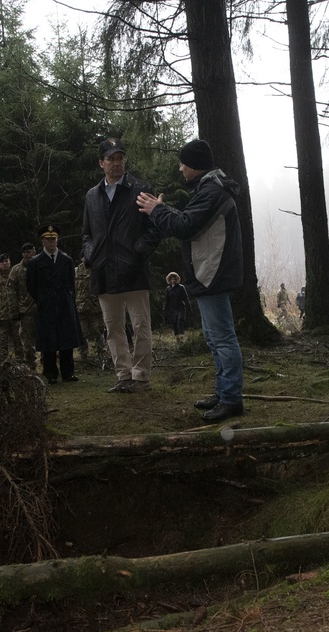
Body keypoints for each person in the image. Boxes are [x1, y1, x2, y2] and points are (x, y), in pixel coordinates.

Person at [136, 139, 244, 422]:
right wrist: (164, 208)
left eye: (183, 162)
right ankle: (224, 393)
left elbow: (184, 227)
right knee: (214, 337)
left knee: (222, 338)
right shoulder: (209, 189)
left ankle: (231, 399)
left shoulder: (211, 191)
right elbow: (189, 218)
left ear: (195, 165)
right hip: (210, 273)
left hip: (213, 274)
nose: (180, 167)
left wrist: (156, 210)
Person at [82, 137, 164, 394]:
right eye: (111, 159)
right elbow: (86, 233)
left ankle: (140, 377)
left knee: (141, 325)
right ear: (101, 163)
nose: (117, 164)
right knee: (113, 328)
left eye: (120, 158)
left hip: (134, 270)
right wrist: (90, 256)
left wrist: (139, 251)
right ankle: (123, 375)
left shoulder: (140, 189)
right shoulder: (92, 196)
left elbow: (155, 228)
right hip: (104, 271)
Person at [25, 224, 83, 384]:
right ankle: (50, 374)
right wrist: (42, 299)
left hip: (64, 304)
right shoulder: (35, 262)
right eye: (48, 240)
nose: (52, 242)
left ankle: (68, 373)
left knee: (66, 341)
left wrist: (67, 300)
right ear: (42, 241)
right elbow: (31, 285)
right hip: (46, 306)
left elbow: (71, 284)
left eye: (54, 239)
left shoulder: (66, 260)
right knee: (48, 342)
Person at [0, 252, 23, 361]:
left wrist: (22, 309)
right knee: (2, 345)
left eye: (6, 261)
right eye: (2, 262)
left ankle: (21, 366)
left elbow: (22, 292)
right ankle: (4, 368)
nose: (5, 263)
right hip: (1, 318)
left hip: (15, 316)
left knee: (19, 343)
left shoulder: (15, 275)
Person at [8, 242, 38, 370]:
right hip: (26, 311)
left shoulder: (40, 265)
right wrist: (14, 312)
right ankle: (30, 366)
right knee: (27, 342)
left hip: (41, 308)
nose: (27, 254)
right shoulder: (16, 270)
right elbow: (11, 292)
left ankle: (47, 364)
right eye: (25, 252)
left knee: (45, 339)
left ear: (34, 252)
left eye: (29, 251)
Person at [74, 258, 106, 364]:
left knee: (98, 331)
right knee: (82, 333)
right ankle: (84, 356)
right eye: (83, 257)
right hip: (81, 307)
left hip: (95, 307)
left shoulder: (97, 269)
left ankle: (101, 354)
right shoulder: (76, 271)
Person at [164, 271, 191, 345]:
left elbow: (186, 298)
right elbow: (167, 300)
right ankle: (177, 339)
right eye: (172, 279)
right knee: (174, 323)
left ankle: (182, 337)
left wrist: (189, 307)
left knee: (180, 322)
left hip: (181, 308)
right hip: (172, 309)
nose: (173, 280)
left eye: (174, 278)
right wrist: (165, 310)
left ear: (177, 279)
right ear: (169, 280)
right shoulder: (168, 289)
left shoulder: (181, 287)